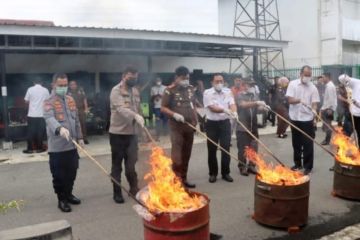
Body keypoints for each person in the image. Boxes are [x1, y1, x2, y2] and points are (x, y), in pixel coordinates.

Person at [43, 73, 84, 212]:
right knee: (59, 175)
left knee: (72, 172)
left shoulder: (70, 99)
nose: (63, 88)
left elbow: (76, 120)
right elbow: (49, 118)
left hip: (72, 145)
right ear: (53, 85)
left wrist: (80, 137)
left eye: (65, 85)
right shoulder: (48, 101)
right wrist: (59, 128)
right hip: (57, 148)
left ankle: (69, 194)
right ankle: (61, 199)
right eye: (60, 85)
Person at [109, 66, 144, 203]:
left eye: (135, 77)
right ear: (124, 76)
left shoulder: (135, 91)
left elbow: (138, 109)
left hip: (132, 134)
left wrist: (141, 122)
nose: (133, 80)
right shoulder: (115, 91)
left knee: (131, 164)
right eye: (131, 77)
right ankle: (117, 192)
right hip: (118, 133)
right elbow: (121, 109)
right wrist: (135, 116)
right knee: (117, 165)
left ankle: (133, 188)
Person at [161, 66, 197, 188]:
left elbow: (193, 106)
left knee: (187, 154)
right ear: (176, 77)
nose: (186, 80)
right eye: (183, 78)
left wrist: (196, 120)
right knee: (177, 157)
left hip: (189, 127)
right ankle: (176, 181)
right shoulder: (169, 90)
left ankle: (184, 178)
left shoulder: (190, 89)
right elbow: (163, 107)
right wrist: (174, 114)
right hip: (176, 128)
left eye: (187, 78)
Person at [203, 73, 237, 183]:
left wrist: (234, 111)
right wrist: (224, 110)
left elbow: (232, 104)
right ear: (212, 82)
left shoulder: (228, 92)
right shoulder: (207, 93)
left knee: (225, 148)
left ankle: (225, 173)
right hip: (212, 124)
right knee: (212, 149)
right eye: (217, 81)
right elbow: (212, 108)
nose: (219, 83)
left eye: (221, 81)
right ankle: (213, 173)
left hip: (225, 123)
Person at [286, 65, 320, 175]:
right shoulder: (293, 84)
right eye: (306, 75)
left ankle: (308, 166)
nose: (308, 77)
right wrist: (300, 100)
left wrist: (314, 111)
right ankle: (297, 164)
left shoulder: (313, 87)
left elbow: (314, 103)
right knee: (296, 143)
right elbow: (290, 100)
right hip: (295, 118)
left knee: (308, 143)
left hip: (307, 119)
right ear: (301, 74)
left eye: (309, 75)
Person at [235, 77, 266, 176]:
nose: (252, 87)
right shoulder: (239, 95)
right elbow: (243, 105)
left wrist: (264, 107)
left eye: (253, 85)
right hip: (243, 127)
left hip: (253, 126)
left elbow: (259, 108)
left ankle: (252, 166)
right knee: (243, 149)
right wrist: (256, 103)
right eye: (250, 85)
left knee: (253, 147)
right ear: (244, 85)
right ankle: (242, 166)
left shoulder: (254, 95)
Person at [23, 78, 50, 153]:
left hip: (32, 114)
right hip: (42, 115)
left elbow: (26, 101)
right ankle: (40, 148)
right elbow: (48, 101)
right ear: (41, 82)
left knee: (30, 132)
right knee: (40, 132)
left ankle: (30, 149)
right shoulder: (45, 90)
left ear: (34, 82)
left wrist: (32, 103)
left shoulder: (30, 89)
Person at [338, 74, 360, 147]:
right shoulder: (354, 84)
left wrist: (356, 103)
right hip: (351, 114)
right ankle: (342, 150)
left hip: (359, 116)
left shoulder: (357, 84)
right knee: (346, 132)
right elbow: (341, 78)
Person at [68, 80, 89, 144]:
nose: (73, 86)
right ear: (69, 86)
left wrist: (86, 108)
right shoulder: (68, 93)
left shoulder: (81, 91)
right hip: (72, 111)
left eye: (74, 84)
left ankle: (84, 138)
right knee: (74, 125)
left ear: (76, 85)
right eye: (71, 85)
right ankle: (76, 139)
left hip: (81, 110)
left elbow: (84, 100)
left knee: (83, 124)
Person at [320, 73, 337, 145]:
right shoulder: (329, 86)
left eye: (323, 77)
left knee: (328, 125)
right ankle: (331, 137)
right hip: (327, 108)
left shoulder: (330, 86)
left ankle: (327, 140)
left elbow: (331, 99)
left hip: (328, 109)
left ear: (327, 77)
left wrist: (330, 109)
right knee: (327, 125)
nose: (322, 79)